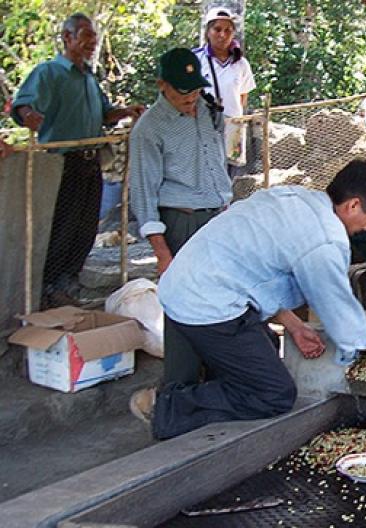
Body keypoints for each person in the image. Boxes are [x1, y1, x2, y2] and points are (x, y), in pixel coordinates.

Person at [129, 160, 366, 440]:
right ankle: (164, 406)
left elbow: (262, 276)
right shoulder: (325, 239)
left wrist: (294, 325)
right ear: (353, 205)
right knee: (273, 394)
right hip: (205, 303)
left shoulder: (296, 198)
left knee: (267, 346)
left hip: (190, 283)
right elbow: (336, 305)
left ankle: (211, 400)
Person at [11, 13, 143, 307]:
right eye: (85, 35)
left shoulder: (88, 78)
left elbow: (103, 114)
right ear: (67, 38)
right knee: (63, 227)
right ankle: (49, 290)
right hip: (63, 162)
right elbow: (23, 104)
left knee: (85, 228)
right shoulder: (49, 73)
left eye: (93, 37)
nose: (92, 42)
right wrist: (29, 116)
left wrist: (124, 112)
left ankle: (70, 284)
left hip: (90, 160)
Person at [129, 47, 233, 390]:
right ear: (162, 85)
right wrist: (162, 253)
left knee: (222, 301)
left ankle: (220, 383)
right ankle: (178, 393)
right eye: (182, 91)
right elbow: (143, 195)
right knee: (183, 306)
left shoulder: (206, 110)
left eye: (195, 89)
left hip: (216, 218)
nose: (191, 98)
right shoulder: (149, 129)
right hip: (181, 222)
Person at [194, 7, 256, 175]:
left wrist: (232, 117)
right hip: (204, 127)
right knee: (203, 173)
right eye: (217, 29)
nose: (222, 35)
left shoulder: (241, 64)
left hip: (233, 129)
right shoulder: (196, 60)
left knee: (228, 176)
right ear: (208, 32)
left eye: (227, 30)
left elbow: (243, 96)